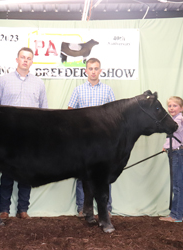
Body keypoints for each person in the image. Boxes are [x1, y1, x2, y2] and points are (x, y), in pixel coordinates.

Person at [0, 47, 48, 220]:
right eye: (23, 57)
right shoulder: (3, 81)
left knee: (26, 174)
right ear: (17, 59)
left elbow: (43, 112)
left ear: (32, 61)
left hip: (30, 137)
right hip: (7, 136)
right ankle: (4, 210)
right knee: (7, 175)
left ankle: (23, 209)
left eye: (29, 58)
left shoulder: (38, 83)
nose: (25, 60)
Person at [68, 57, 115, 218]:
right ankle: (83, 207)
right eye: (90, 68)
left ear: (100, 71)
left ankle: (106, 208)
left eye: (96, 68)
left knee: (104, 174)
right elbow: (70, 112)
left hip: (103, 140)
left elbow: (113, 115)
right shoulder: (78, 90)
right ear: (86, 71)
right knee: (83, 174)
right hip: (83, 140)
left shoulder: (108, 90)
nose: (93, 71)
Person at [159, 96, 183, 223]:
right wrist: (166, 147)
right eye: (169, 106)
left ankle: (175, 215)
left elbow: (174, 128)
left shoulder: (179, 119)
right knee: (179, 185)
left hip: (177, 154)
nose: (171, 108)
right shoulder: (175, 118)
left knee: (177, 185)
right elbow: (174, 137)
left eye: (174, 106)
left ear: (181, 108)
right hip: (175, 152)